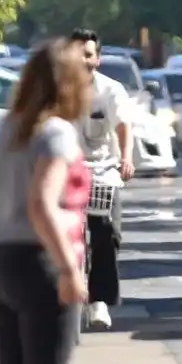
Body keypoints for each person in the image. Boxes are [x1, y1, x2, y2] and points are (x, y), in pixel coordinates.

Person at [0, 38, 92, 364]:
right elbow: (41, 203)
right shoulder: (56, 133)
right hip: (38, 264)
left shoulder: (7, 131)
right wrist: (70, 270)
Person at [71, 28, 136, 330]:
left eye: (87, 54)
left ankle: (98, 300)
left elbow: (123, 125)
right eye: (75, 54)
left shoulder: (111, 90)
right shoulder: (53, 90)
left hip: (102, 172)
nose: (81, 60)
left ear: (97, 58)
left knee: (106, 233)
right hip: (63, 174)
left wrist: (126, 158)